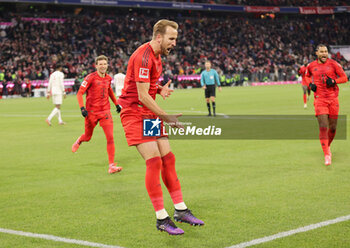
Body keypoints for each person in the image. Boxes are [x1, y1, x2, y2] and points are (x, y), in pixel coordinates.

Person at [118, 19, 204, 235]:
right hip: (134, 112)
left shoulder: (157, 58)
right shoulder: (144, 56)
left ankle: (181, 210)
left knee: (168, 159)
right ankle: (161, 218)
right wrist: (167, 117)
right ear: (159, 37)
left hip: (147, 111)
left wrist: (159, 90)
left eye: (176, 39)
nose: (175, 43)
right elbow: (141, 95)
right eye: (171, 39)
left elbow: (146, 87)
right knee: (154, 162)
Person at [71, 55, 122, 174]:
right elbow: (79, 93)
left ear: (107, 65)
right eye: (101, 64)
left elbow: (109, 91)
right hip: (91, 113)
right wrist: (82, 108)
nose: (103, 66)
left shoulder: (108, 78)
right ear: (96, 65)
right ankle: (79, 140)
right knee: (88, 137)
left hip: (105, 112)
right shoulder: (90, 78)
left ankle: (111, 166)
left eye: (105, 64)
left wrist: (116, 104)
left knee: (110, 137)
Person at [305, 44, 348, 166]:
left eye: (326, 51)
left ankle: (326, 145)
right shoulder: (311, 66)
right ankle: (327, 154)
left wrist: (334, 81)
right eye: (322, 52)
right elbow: (307, 76)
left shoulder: (334, 64)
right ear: (316, 53)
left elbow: (345, 78)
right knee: (323, 126)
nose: (324, 54)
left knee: (333, 128)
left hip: (333, 99)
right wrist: (310, 85)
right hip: (320, 99)